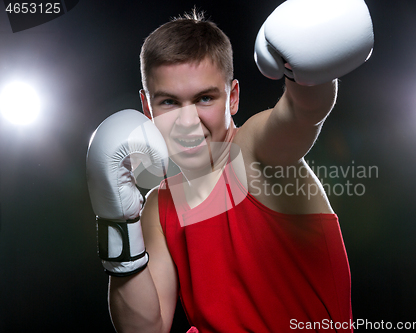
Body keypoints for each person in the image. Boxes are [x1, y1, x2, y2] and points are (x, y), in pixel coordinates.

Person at [86, 1, 374, 332]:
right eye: (168, 102)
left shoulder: (252, 152)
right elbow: (143, 329)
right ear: (146, 108)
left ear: (233, 97)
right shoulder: (158, 207)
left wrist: (309, 68)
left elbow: (301, 115)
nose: (187, 122)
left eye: (205, 99)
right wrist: (115, 220)